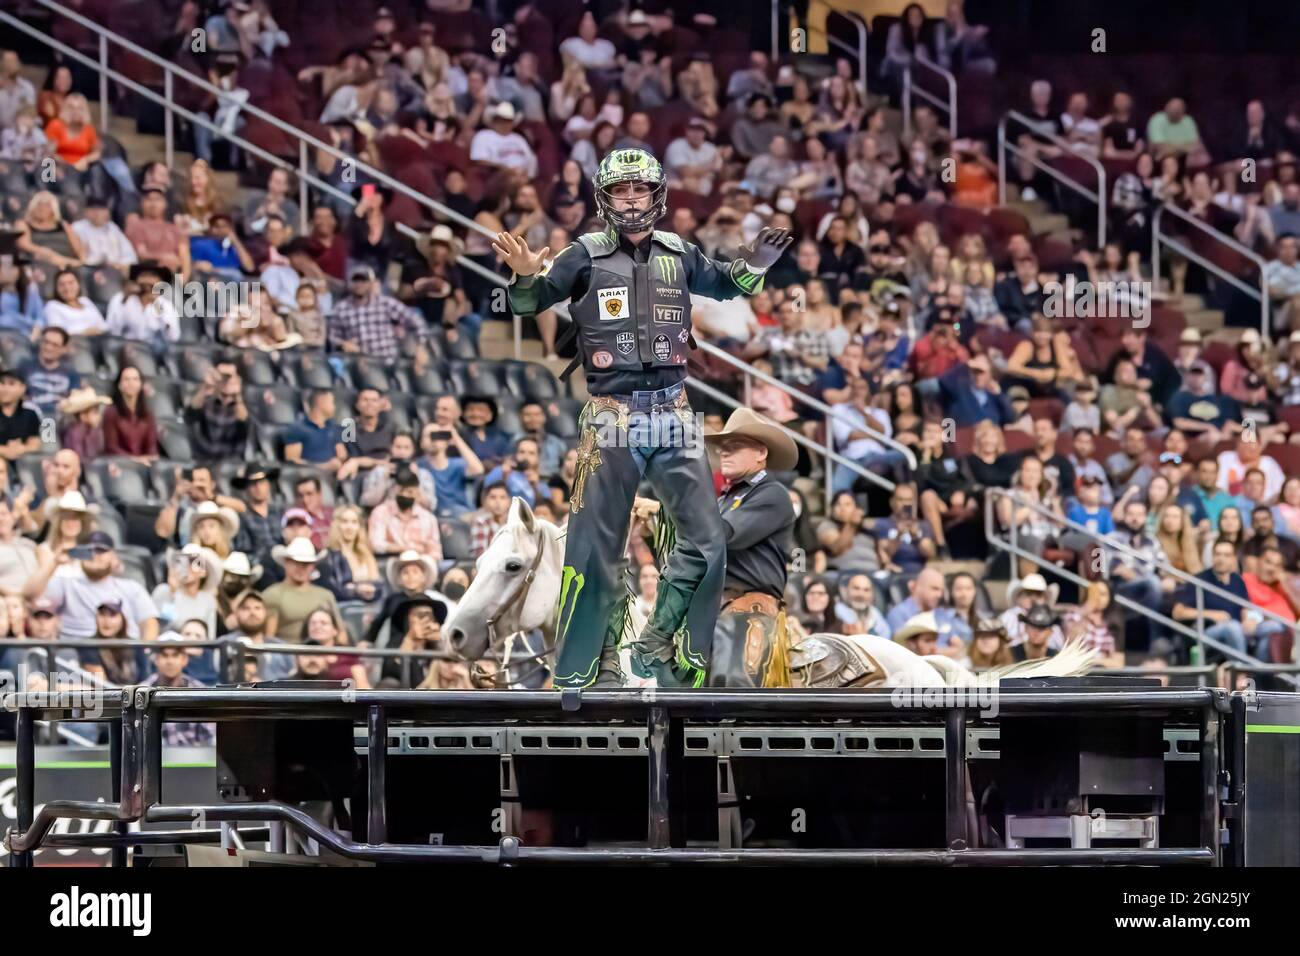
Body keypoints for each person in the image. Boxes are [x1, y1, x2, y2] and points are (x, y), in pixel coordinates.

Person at [496, 146, 792, 689]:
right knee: (596, 546)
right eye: (620, 190)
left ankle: (668, 647)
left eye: (640, 189)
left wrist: (755, 265)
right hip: (611, 416)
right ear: (604, 199)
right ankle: (597, 663)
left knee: (708, 540)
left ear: (656, 195)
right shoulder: (583, 254)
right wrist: (522, 277)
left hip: (675, 410)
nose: (631, 199)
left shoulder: (679, 252)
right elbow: (529, 302)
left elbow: (726, 284)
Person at [641, 407, 798, 687]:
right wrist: (656, 526)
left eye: (735, 446)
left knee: (731, 681)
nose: (724, 452)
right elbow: (696, 546)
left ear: (761, 453)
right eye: (723, 447)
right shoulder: (726, 499)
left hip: (747, 611)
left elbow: (720, 536)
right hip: (714, 609)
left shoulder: (771, 494)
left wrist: (662, 510)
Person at [23, 531, 160, 642]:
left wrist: (145, 652)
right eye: (89, 551)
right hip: (77, 654)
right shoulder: (67, 585)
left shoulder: (131, 587)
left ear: (113, 556)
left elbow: (149, 623)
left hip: (122, 651)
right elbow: (30, 595)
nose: (95, 555)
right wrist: (54, 563)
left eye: (101, 551)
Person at [262, 536, 342, 644]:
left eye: (306, 564)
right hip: (286, 651)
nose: (301, 568)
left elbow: (340, 633)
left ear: (313, 566)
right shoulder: (272, 594)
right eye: (296, 563)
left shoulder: (326, 595)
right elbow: (269, 638)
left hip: (322, 651)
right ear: (286, 563)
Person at [142, 636, 216, 745]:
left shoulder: (200, 691)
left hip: (194, 754)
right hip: (153, 754)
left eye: (175, 655)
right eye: (164, 655)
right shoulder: (142, 692)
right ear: (156, 659)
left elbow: (209, 738)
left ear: (184, 659)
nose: (170, 661)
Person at [367, 467, 441, 558]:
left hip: (422, 560)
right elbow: (376, 544)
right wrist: (405, 549)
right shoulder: (380, 512)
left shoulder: (428, 517)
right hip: (394, 560)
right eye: (401, 491)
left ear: (417, 493)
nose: (404, 495)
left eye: (410, 492)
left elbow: (435, 550)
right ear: (395, 491)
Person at [316, 504, 384, 604]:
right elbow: (333, 589)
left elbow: (377, 584)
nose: (349, 527)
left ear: (359, 526)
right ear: (336, 525)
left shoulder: (366, 555)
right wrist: (357, 590)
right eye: (345, 521)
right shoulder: (329, 556)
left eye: (354, 522)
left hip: (369, 605)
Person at [18, 326, 80, 420]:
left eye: (55, 345)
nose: (48, 347)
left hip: (60, 418)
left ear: (64, 348)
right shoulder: (25, 367)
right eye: (46, 342)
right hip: (31, 418)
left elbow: (75, 396)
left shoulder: (71, 373)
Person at [101, 365, 159, 461]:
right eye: (126, 379)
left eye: (135, 379)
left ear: (140, 384)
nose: (131, 383)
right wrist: (135, 460)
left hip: (145, 464)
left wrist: (149, 459)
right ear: (119, 385)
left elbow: (151, 447)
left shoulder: (148, 414)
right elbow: (111, 447)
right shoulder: (111, 412)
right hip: (120, 463)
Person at [0, 367, 41, 463]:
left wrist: (23, 448)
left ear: (23, 388)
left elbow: (35, 444)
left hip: (22, 464)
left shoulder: (30, 414)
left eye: (11, 384)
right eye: (2, 383)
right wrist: (5, 450)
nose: (5, 388)